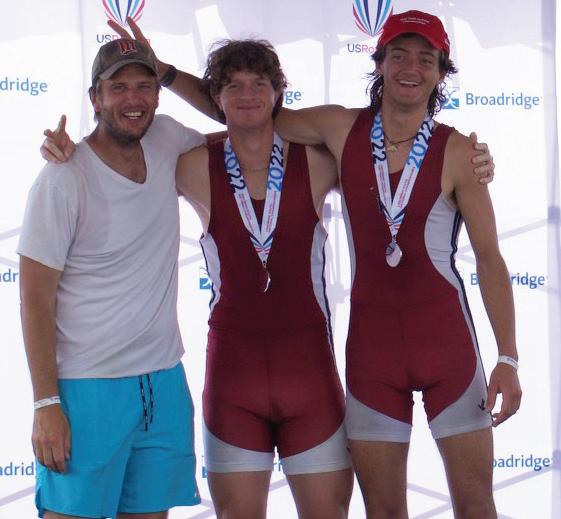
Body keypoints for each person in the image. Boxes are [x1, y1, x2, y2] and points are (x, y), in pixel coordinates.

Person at [109, 11, 519, 519]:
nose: (410, 68)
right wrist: (163, 75)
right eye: (398, 55)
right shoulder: (339, 131)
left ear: (441, 72)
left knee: (476, 507)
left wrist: (508, 356)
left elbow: (490, 259)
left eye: (425, 59)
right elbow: (246, 115)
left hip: (445, 350)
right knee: (383, 513)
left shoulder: (456, 152)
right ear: (380, 63)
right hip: (368, 361)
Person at [19, 38, 205, 519]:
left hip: (163, 382)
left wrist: (169, 71)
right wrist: (46, 403)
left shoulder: (168, 137)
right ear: (95, 98)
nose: (132, 98)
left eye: (144, 86)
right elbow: (35, 298)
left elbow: (240, 120)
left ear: (158, 95)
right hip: (88, 388)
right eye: (117, 87)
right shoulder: (63, 178)